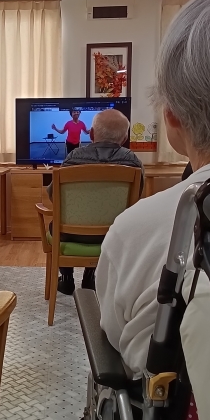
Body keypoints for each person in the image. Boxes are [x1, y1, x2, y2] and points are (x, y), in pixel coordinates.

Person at [95, 0, 210, 376]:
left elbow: (115, 333)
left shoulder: (136, 230)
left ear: (172, 115)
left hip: (184, 412)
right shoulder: (132, 167)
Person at [48, 109, 143, 295]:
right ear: (124, 138)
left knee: (55, 224)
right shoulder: (133, 161)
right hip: (115, 235)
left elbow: (54, 195)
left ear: (91, 134)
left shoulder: (73, 158)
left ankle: (66, 279)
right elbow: (137, 197)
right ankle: (90, 277)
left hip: (70, 235)